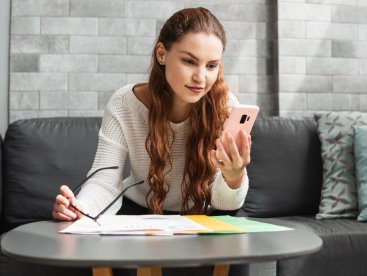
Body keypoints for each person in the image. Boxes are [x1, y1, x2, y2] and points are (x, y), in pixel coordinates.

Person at [52, 7, 251, 224]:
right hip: (138, 210)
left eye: (211, 66)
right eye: (189, 61)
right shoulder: (124, 104)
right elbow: (105, 180)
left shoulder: (226, 107)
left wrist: (234, 177)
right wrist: (80, 208)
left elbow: (227, 204)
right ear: (161, 54)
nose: (201, 78)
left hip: (201, 215)